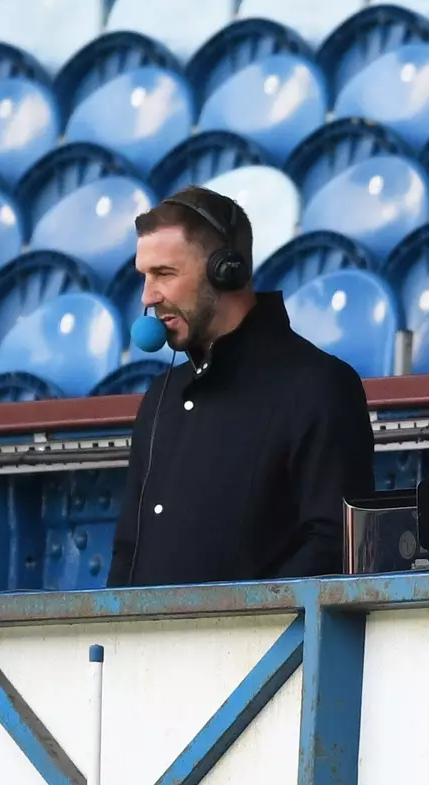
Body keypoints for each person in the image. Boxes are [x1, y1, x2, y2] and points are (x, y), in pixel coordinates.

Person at [108, 186, 375, 587]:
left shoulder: (319, 385)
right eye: (144, 276)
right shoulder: (159, 398)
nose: (148, 297)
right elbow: (128, 550)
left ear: (225, 270)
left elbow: (335, 544)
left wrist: (240, 626)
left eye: (164, 273)